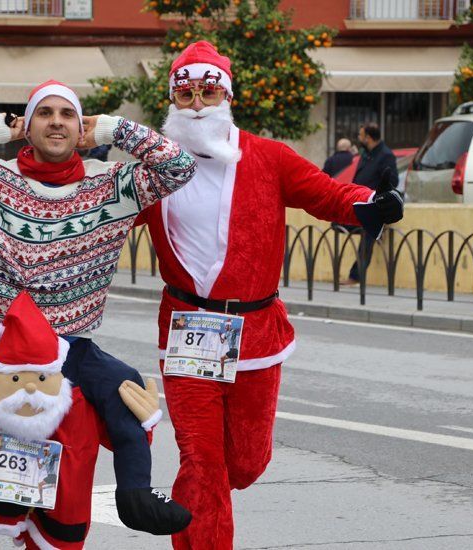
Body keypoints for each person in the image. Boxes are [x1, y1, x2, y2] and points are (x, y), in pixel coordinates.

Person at [134, 41, 404, 550]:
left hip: (257, 333)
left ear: (227, 95)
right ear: (172, 99)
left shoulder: (269, 157)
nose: (197, 103)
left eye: (208, 90)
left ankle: (196, 499)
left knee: (245, 462)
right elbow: (92, 214)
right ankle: (202, 519)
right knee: (202, 459)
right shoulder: (152, 171)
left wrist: (373, 204)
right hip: (188, 330)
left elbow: (325, 193)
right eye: (185, 93)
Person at [0, 80, 195, 541]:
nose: (56, 121)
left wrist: (113, 130)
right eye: (44, 113)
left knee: (128, 397)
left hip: (71, 346)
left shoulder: (113, 185)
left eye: (67, 114)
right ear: (28, 124)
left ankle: (135, 496)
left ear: (80, 127)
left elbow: (179, 167)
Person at [0, 291, 164, 549]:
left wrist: (141, 421)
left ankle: (9, 519)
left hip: (73, 341)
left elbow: (120, 429)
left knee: (68, 463)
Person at [341, 122, 399, 286]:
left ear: (368, 137)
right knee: (336, 223)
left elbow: (391, 181)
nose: (359, 139)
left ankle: (355, 276)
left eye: (361, 135)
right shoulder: (367, 154)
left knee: (368, 234)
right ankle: (377, 231)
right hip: (359, 202)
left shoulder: (386, 155)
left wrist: (376, 196)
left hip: (374, 206)